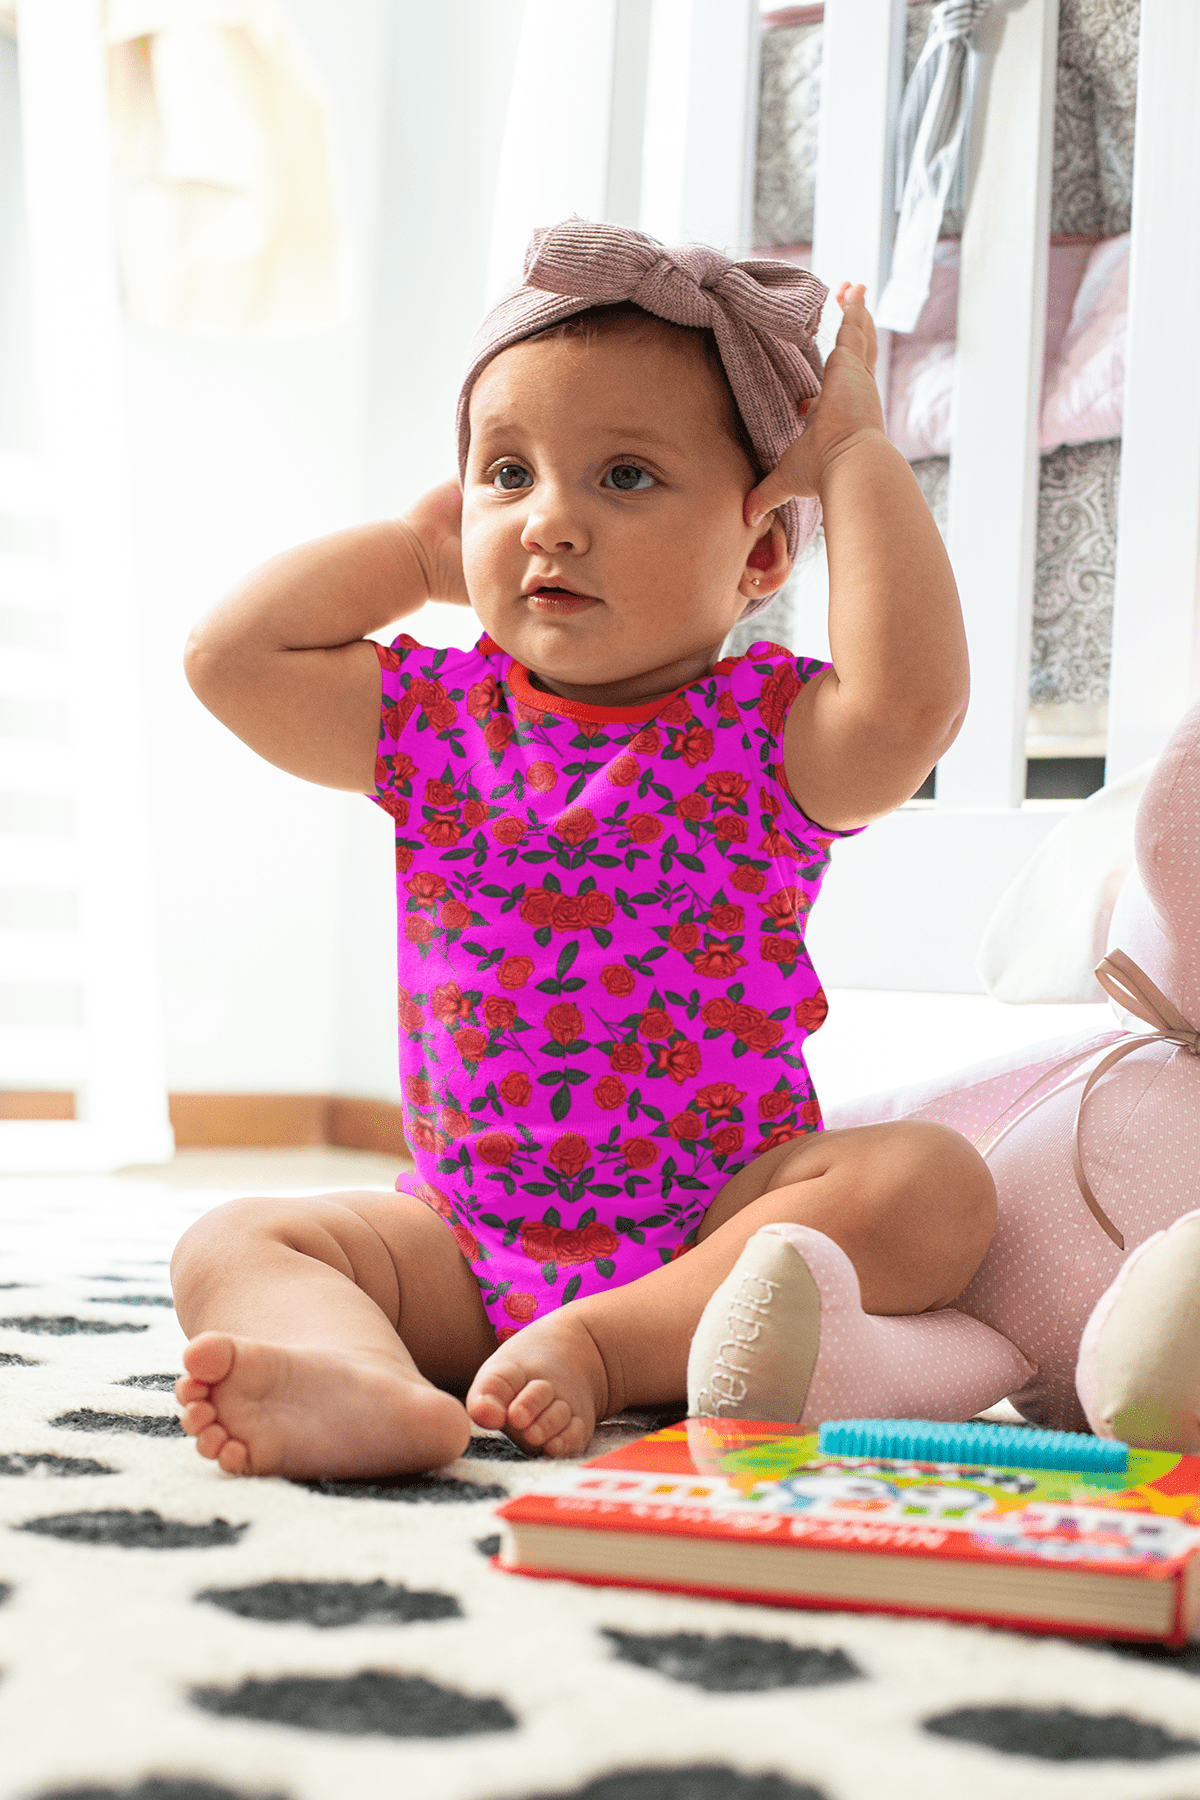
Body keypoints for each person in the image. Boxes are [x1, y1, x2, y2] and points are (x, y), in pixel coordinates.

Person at [172, 219, 1009, 1480]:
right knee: (231, 1241)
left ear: (762, 553)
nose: (549, 522)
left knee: (935, 1189)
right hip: (460, 1242)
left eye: (624, 478)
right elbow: (228, 662)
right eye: (508, 476)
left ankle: (612, 1349)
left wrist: (852, 456)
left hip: (714, 1233)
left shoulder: (768, 736)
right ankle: (366, 1383)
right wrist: (416, 551)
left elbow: (910, 705)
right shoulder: (434, 720)